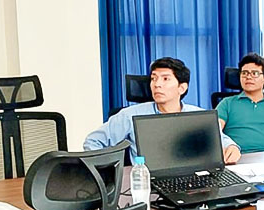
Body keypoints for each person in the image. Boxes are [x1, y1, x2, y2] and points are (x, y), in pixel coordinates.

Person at [83, 57, 240, 162]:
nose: (157, 84)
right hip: (147, 183)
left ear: (182, 87)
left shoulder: (197, 115)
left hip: (192, 178)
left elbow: (222, 139)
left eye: (165, 79)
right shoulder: (130, 115)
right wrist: (108, 172)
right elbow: (93, 142)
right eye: (153, 78)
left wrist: (232, 147)